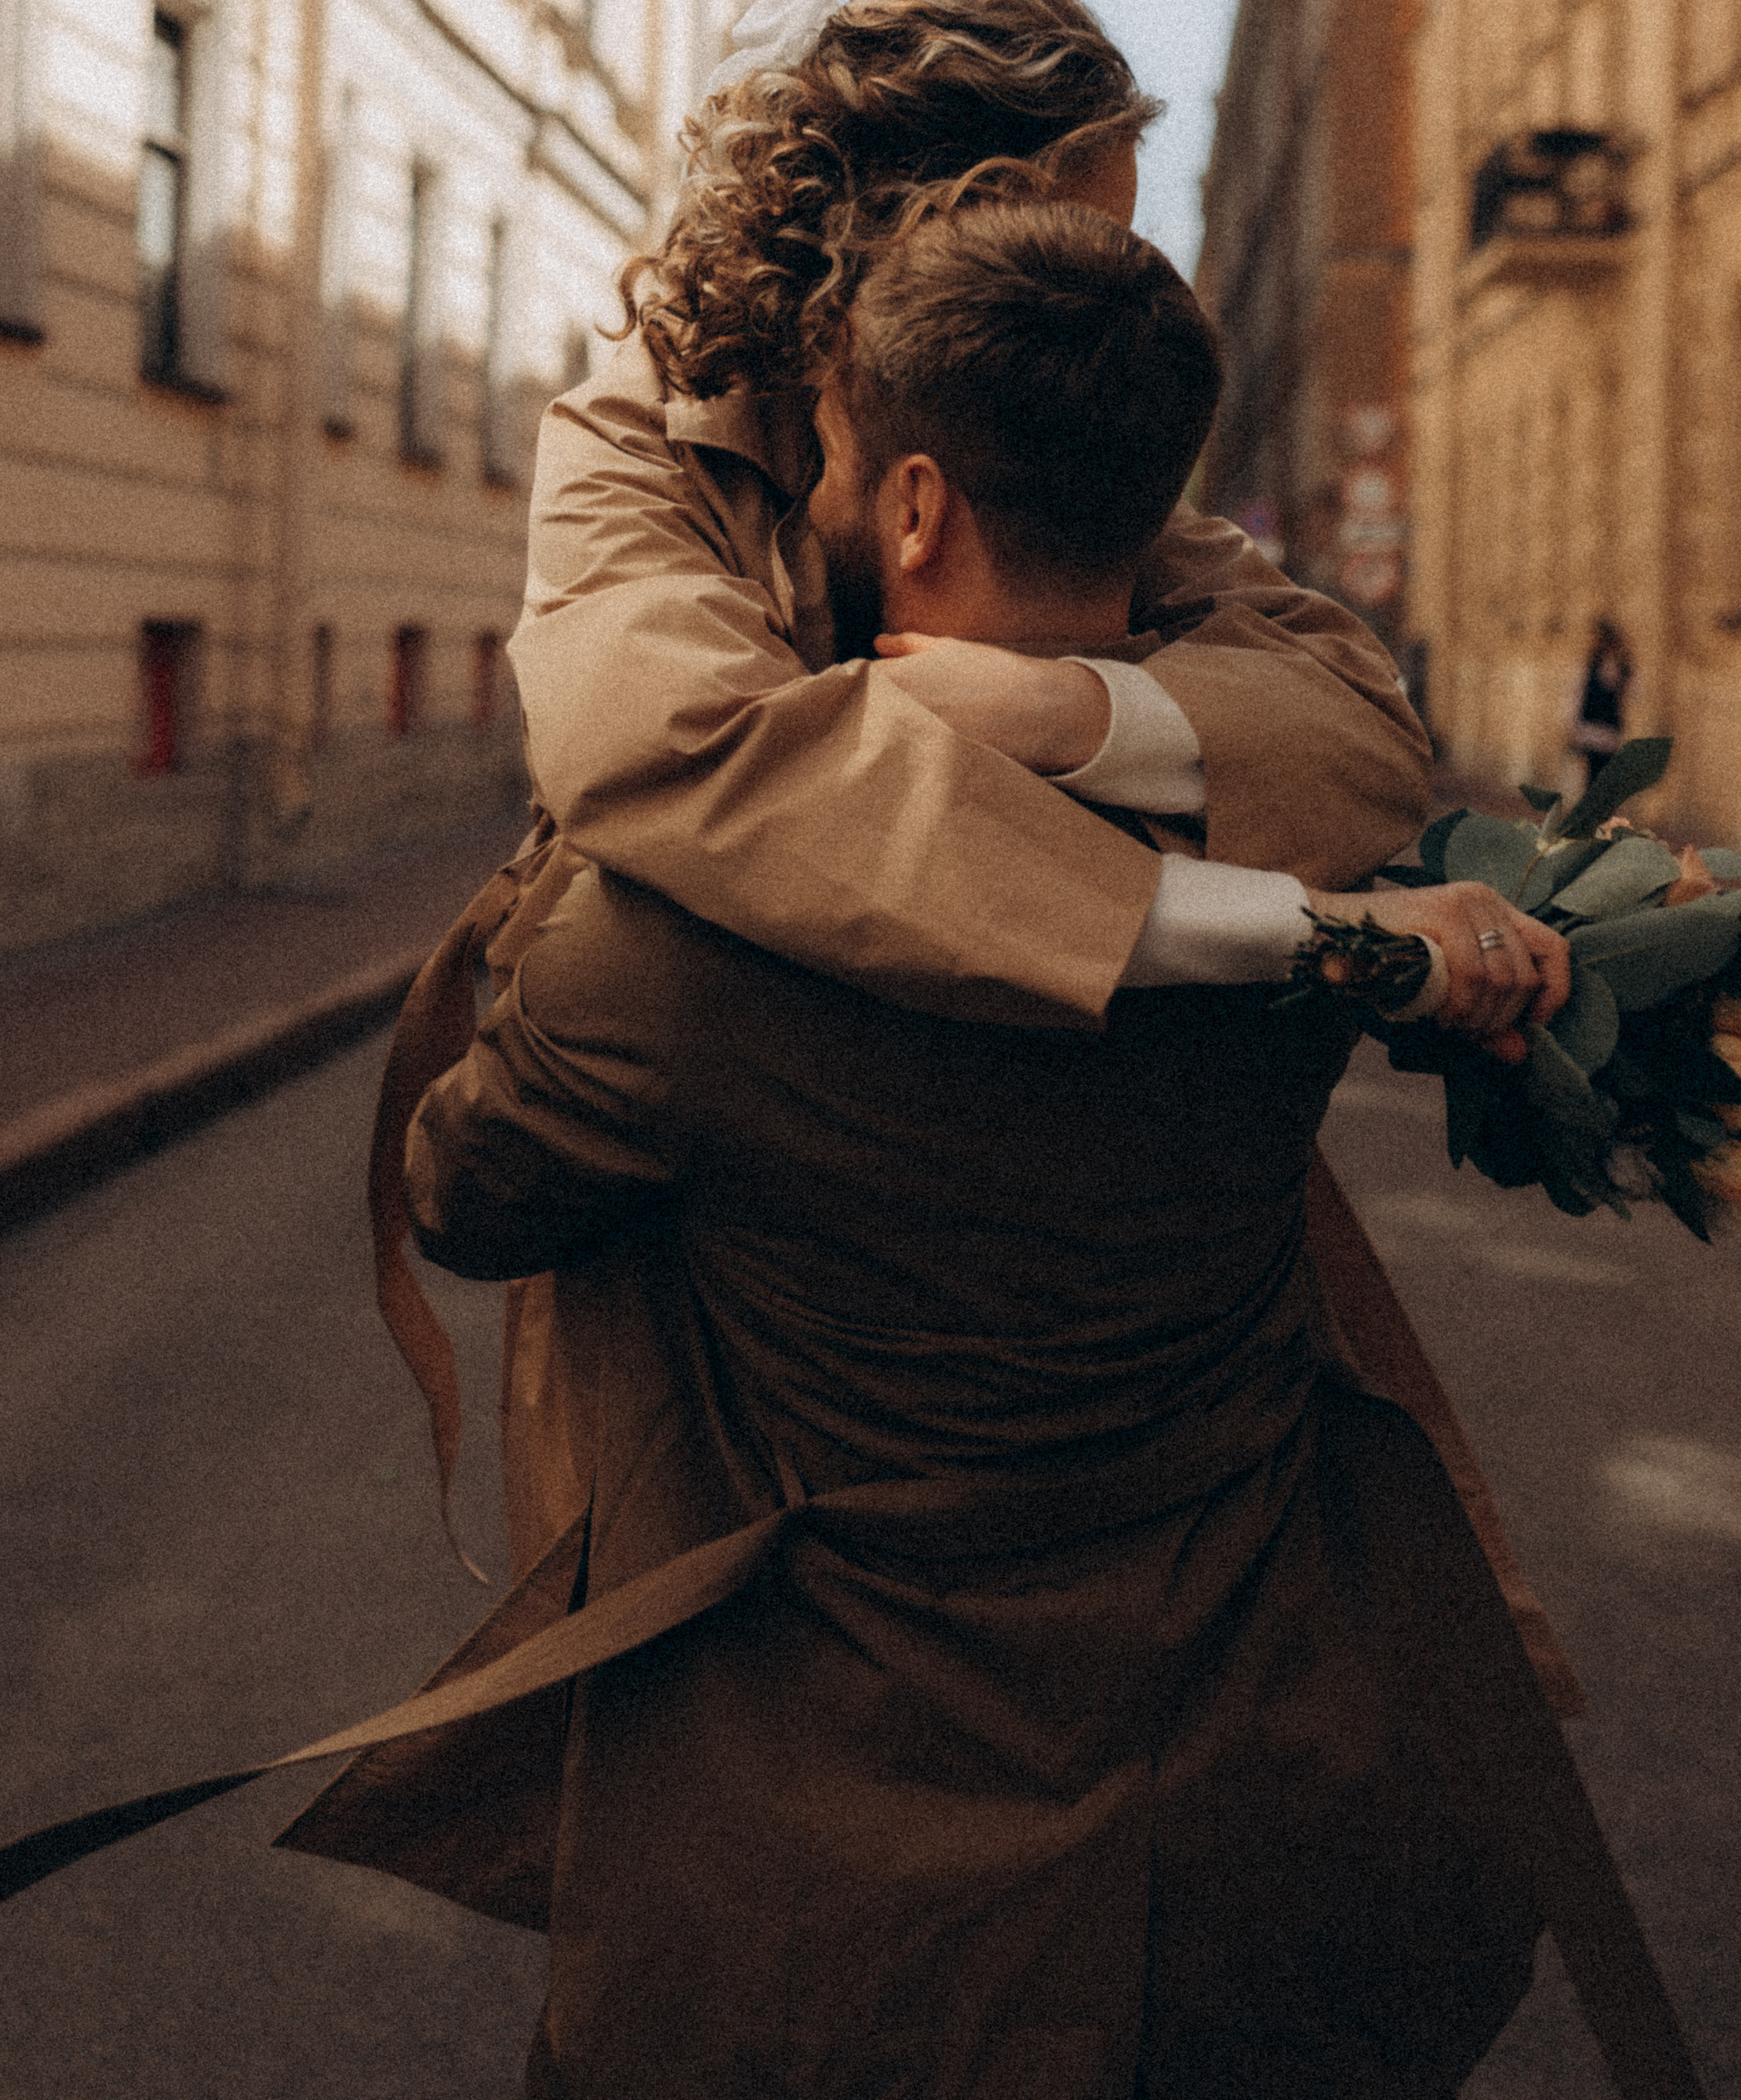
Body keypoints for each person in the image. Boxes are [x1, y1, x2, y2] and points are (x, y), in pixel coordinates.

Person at [283, 201, 1577, 2098]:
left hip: (809, 1911)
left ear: (902, 509)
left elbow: (461, 1190)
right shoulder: (1326, 892)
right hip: (1220, 1852)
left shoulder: (670, 949)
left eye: (825, 465)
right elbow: (1318, 695)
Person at [482, 0, 1563, 1580]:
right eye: (1087, 234)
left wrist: (1065, 715)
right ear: (913, 220)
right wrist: (1300, 934)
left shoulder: (1031, 421)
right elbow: (677, 753)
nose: (1113, 287)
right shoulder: (644, 434)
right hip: (709, 1304)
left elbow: (1346, 715)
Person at [1571, 616, 1634, 786]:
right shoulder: (1592, 662)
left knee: (1604, 771)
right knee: (1593, 771)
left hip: (1609, 725)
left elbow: (1633, 693)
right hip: (1592, 724)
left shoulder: (1624, 665)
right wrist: (1573, 722)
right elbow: (1579, 691)